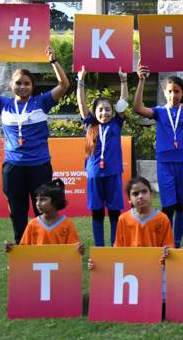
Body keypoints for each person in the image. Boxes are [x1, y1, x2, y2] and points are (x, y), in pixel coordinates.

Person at [0, 47, 70, 243]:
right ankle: (21, 251)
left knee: (41, 210)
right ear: (11, 85)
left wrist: (53, 62)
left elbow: (64, 84)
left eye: (27, 83)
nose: (22, 87)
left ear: (32, 86)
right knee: (17, 212)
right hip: (13, 167)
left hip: (39, 166)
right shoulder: (3, 104)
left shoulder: (42, 102)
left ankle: (42, 249)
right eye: (18, 83)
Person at [133, 64, 183, 248]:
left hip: (182, 162)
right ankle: (165, 240)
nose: (173, 95)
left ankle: (175, 242)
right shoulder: (159, 112)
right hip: (165, 163)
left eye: (177, 91)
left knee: (182, 205)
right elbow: (137, 108)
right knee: (168, 205)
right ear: (164, 92)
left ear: (182, 93)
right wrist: (141, 81)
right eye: (170, 91)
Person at [76, 66, 128, 247]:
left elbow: (123, 102)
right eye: (100, 110)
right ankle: (99, 247)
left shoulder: (116, 123)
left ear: (112, 112)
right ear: (95, 112)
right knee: (97, 212)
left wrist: (123, 80)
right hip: (95, 175)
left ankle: (114, 246)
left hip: (113, 173)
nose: (104, 113)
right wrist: (81, 80)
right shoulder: (90, 125)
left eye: (107, 110)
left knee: (114, 212)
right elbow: (82, 104)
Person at [5, 179, 84, 255]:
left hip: (60, 267)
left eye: (43, 199)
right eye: (37, 200)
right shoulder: (32, 224)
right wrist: (13, 249)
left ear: (55, 201)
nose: (38, 203)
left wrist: (79, 250)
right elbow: (24, 249)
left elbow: (74, 250)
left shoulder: (67, 224)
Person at [113, 176, 174, 248]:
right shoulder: (123, 219)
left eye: (144, 191)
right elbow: (118, 247)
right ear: (129, 199)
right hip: (129, 259)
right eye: (135, 194)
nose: (140, 196)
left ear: (151, 194)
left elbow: (169, 246)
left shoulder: (162, 218)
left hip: (156, 259)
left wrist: (166, 250)